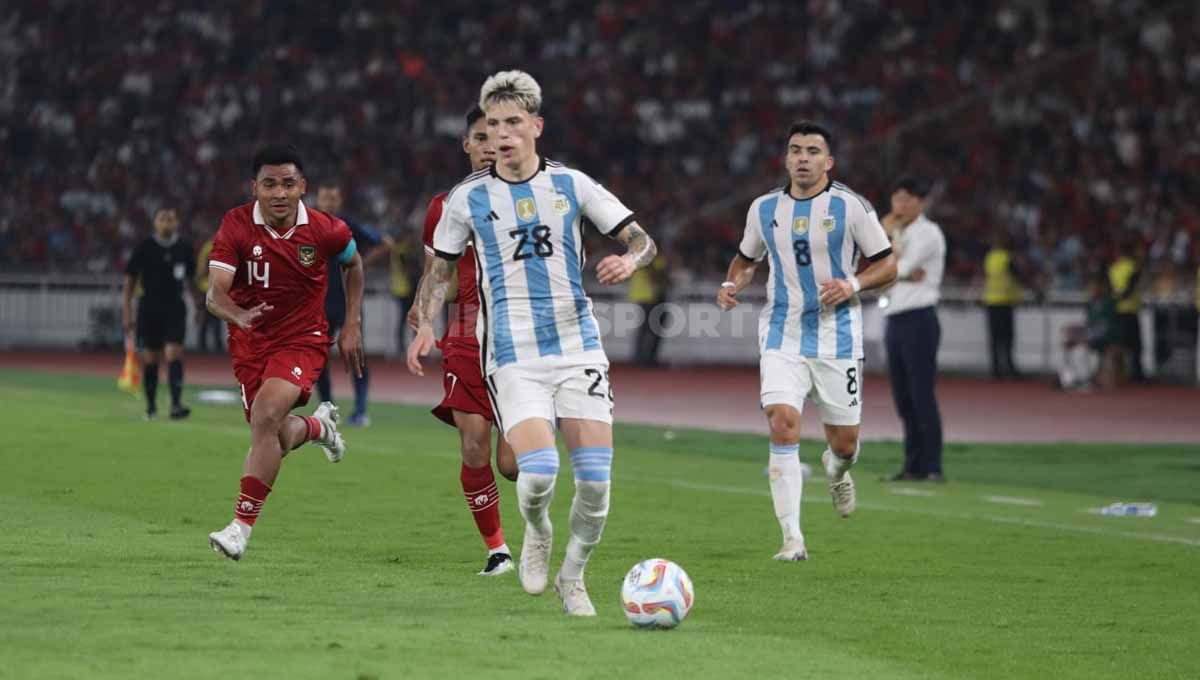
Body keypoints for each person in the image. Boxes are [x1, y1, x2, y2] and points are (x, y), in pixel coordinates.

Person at [408, 71, 658, 616]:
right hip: (512, 354)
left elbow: (642, 240)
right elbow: (438, 270)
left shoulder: (573, 184)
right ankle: (537, 530)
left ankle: (573, 577)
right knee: (538, 470)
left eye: (514, 122)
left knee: (595, 482)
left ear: (536, 127)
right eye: (492, 124)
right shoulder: (466, 198)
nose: (502, 133)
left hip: (578, 346)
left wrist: (629, 259)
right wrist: (426, 318)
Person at [716, 120, 896, 561]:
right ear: (786, 158)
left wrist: (852, 284)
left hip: (838, 336)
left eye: (813, 151)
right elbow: (745, 259)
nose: (802, 158)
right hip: (782, 332)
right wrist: (732, 283)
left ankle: (837, 471)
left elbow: (888, 264)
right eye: (795, 150)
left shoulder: (851, 207)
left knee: (845, 445)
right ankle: (792, 539)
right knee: (782, 420)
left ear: (828, 162)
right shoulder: (763, 209)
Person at [204, 145, 365, 561]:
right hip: (250, 342)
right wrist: (236, 314)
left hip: (303, 338)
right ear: (255, 187)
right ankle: (316, 428)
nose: (279, 193)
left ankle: (240, 528)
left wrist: (352, 323)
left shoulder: (326, 230)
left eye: (288, 184)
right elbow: (214, 292)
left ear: (302, 187)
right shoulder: (237, 225)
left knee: (266, 415)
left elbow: (354, 264)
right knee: (270, 432)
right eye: (270, 184)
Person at [406, 105, 519, 577]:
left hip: (520, 342)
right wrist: (426, 321)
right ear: (467, 144)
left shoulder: (530, 197)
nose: (490, 145)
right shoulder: (446, 206)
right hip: (466, 337)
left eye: (498, 136)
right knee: (473, 445)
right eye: (480, 136)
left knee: (513, 466)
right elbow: (437, 272)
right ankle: (498, 551)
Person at [880, 175, 947, 482]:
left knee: (922, 394)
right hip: (895, 316)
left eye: (907, 199)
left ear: (921, 202)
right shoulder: (898, 234)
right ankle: (912, 465)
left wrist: (893, 264)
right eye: (897, 199)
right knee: (903, 397)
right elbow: (882, 269)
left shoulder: (928, 233)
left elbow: (899, 270)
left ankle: (932, 466)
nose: (900, 205)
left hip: (919, 317)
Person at [314, 179, 393, 427]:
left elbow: (386, 244)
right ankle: (327, 408)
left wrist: (359, 265)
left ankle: (360, 411)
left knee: (355, 355)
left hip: (348, 303)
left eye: (333, 198)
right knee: (318, 358)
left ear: (340, 200)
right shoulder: (308, 226)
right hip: (319, 304)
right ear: (318, 199)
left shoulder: (346, 225)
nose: (329, 203)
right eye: (325, 198)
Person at [121, 206, 197, 420]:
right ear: (155, 223)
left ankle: (175, 404)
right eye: (163, 219)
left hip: (175, 308)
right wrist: (126, 312)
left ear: (177, 223)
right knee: (151, 358)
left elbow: (191, 279)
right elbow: (129, 280)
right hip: (149, 308)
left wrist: (200, 306)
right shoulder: (145, 247)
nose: (167, 223)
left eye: (171, 219)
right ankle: (151, 406)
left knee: (174, 353)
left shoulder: (184, 247)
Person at [982, 230, 1027, 379]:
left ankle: (995, 370)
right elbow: (1018, 276)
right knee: (1007, 337)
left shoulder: (989, 258)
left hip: (991, 301)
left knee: (994, 338)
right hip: (1005, 301)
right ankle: (1009, 368)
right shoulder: (1007, 258)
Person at [1108, 235, 1145, 383]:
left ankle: (1118, 374)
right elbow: (1132, 286)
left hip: (1117, 309)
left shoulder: (1113, 268)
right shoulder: (1133, 266)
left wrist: (1117, 298)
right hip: (1130, 309)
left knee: (1119, 344)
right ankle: (1136, 375)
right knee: (1136, 345)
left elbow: (1111, 288)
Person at [629, 253, 671, 367]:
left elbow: (664, 278)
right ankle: (641, 358)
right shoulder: (644, 258)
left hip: (655, 297)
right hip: (647, 297)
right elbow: (657, 277)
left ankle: (647, 358)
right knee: (647, 329)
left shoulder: (658, 259)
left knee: (653, 330)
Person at [194, 232, 226, 353]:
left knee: (208, 318)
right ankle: (214, 345)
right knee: (213, 318)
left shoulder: (208, 246)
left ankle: (202, 345)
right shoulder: (212, 247)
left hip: (207, 287)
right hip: (209, 287)